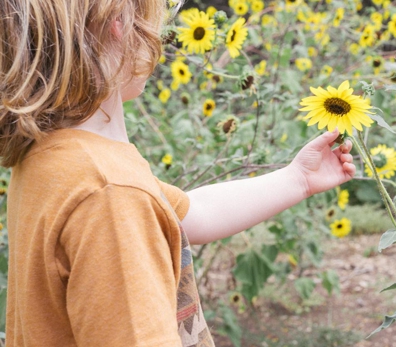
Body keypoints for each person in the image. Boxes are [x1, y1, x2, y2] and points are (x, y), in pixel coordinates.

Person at [0, 1, 355, 346]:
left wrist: (297, 178)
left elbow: (192, 213)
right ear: (121, 24)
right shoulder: (109, 193)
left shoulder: (59, 161)